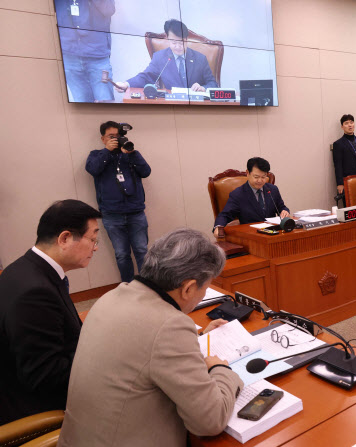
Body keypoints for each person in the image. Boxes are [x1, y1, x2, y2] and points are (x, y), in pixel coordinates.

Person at [58, 228, 243, 446]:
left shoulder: (111, 296)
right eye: (206, 287)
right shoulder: (170, 327)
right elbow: (210, 422)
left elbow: (142, 348)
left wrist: (198, 337)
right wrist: (221, 369)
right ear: (188, 288)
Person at [0, 200, 101, 425]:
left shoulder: (23, 268)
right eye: (93, 239)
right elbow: (46, 377)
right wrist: (100, 353)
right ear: (65, 238)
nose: (95, 248)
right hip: (34, 408)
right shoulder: (34, 292)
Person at [86, 121, 151, 283]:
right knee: (122, 254)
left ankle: (148, 286)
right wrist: (107, 152)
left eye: (118, 136)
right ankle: (127, 286)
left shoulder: (130, 154)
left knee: (142, 251)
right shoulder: (96, 155)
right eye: (111, 136)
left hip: (136, 212)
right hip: (112, 214)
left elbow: (146, 171)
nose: (116, 139)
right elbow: (93, 169)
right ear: (103, 139)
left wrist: (132, 153)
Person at [115, 19, 218, 93]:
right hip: (172, 106)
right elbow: (146, 77)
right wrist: (126, 84)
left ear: (187, 40)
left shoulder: (200, 59)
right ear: (168, 39)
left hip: (196, 106)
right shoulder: (160, 57)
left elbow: (213, 83)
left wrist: (203, 88)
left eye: (181, 43)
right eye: (174, 42)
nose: (178, 47)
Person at [55, 0, 116, 102]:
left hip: (97, 55)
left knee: (105, 104)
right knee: (81, 105)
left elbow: (108, 9)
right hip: (69, 53)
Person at [213, 157, 290, 236]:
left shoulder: (272, 189)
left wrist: (285, 211)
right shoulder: (238, 194)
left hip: (273, 233)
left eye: (263, 177)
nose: (260, 181)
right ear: (247, 173)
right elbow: (225, 215)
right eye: (256, 177)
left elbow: (281, 207)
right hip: (251, 235)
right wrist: (218, 227)